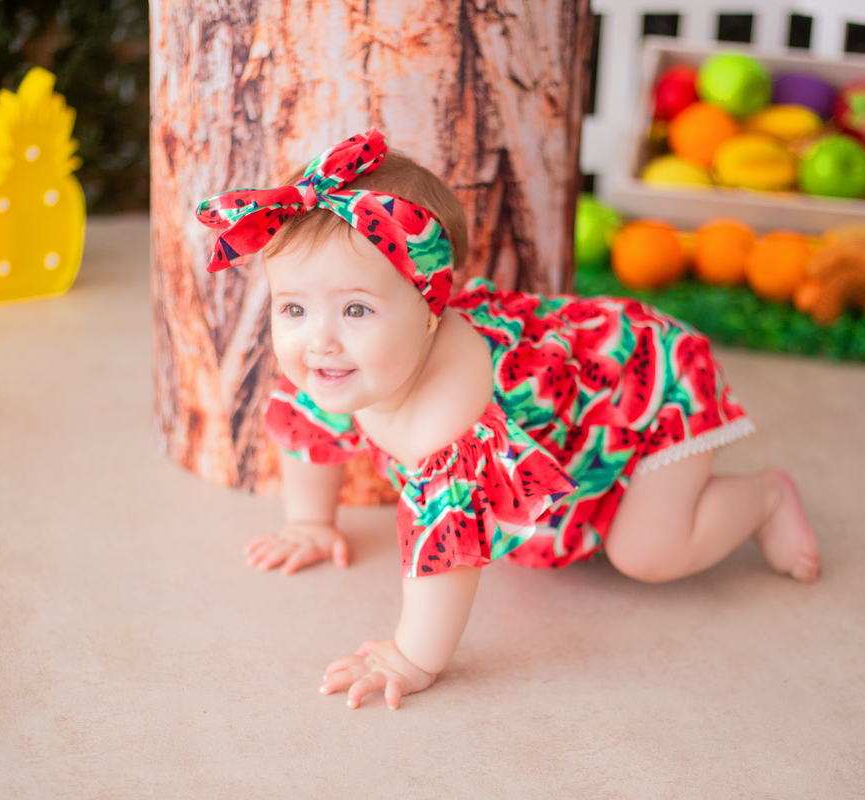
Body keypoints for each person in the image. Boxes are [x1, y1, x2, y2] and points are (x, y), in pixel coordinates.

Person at [196, 129, 820, 711]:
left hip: (648, 384)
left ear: (431, 309)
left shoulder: (448, 423)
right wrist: (309, 522)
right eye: (294, 308)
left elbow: (449, 560)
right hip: (579, 400)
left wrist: (412, 658)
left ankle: (763, 498)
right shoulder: (341, 366)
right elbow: (313, 430)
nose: (318, 341)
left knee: (648, 551)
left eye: (357, 310)